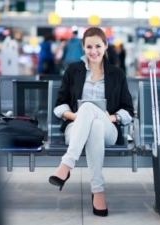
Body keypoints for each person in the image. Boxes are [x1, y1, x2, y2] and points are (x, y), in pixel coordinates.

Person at [48, 27, 134, 217]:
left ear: (105, 46)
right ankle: (98, 191)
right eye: (89, 47)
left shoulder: (117, 74)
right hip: (76, 126)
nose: (93, 51)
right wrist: (76, 116)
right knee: (91, 121)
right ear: (83, 48)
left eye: (97, 46)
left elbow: (128, 110)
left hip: (108, 129)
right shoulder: (73, 70)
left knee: (93, 116)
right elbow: (59, 105)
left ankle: (66, 165)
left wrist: (109, 116)